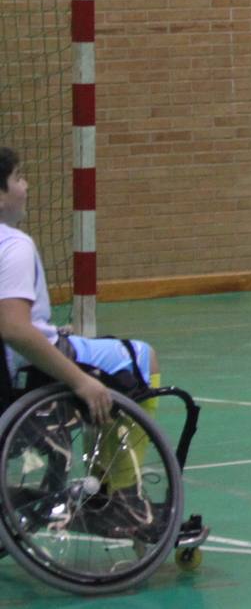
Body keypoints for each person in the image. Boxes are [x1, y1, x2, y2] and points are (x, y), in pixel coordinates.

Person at [0, 146, 164, 533]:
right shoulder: (13, 245)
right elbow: (13, 328)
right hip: (25, 374)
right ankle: (121, 495)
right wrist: (80, 380)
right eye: (19, 177)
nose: (27, 186)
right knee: (142, 358)